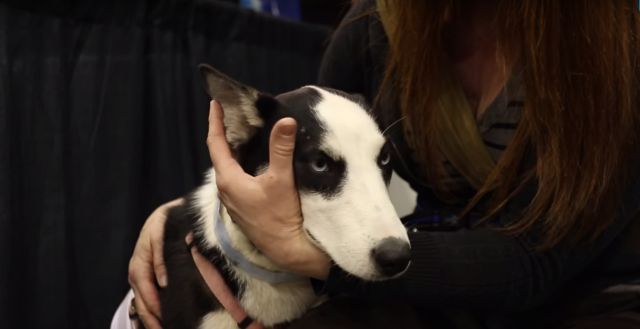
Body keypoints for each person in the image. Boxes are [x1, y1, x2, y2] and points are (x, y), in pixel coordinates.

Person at [124, 0, 640, 328]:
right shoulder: (380, 25)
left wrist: (308, 257)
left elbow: (529, 266)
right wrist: (204, 208)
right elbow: (312, 138)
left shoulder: (620, 51)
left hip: (591, 300)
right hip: (444, 287)